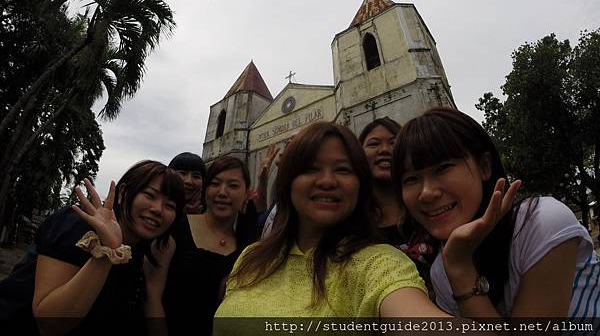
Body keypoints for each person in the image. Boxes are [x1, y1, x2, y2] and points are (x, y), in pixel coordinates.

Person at [213, 122, 448, 334]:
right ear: (288, 181)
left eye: (343, 170)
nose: (327, 181)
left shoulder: (379, 264)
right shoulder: (251, 257)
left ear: (360, 186)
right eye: (311, 168)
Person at [393, 107, 600, 320]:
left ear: (484, 167)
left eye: (443, 168)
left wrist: (460, 268)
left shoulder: (541, 221)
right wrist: (458, 265)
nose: (427, 193)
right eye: (411, 179)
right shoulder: (442, 270)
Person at [0, 160, 184, 336]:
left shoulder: (139, 254)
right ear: (122, 194)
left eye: (170, 205)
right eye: (150, 195)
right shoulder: (77, 224)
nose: (158, 209)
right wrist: (107, 250)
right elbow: (49, 325)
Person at [163, 156, 259, 336]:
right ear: (205, 190)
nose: (222, 192)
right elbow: (152, 297)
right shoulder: (176, 228)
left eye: (233, 185)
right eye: (215, 184)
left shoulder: (249, 248)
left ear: (247, 193)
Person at [359, 117, 437, 296]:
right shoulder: (351, 221)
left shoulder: (432, 207)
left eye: (394, 143)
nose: (384, 150)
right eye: (374, 144)